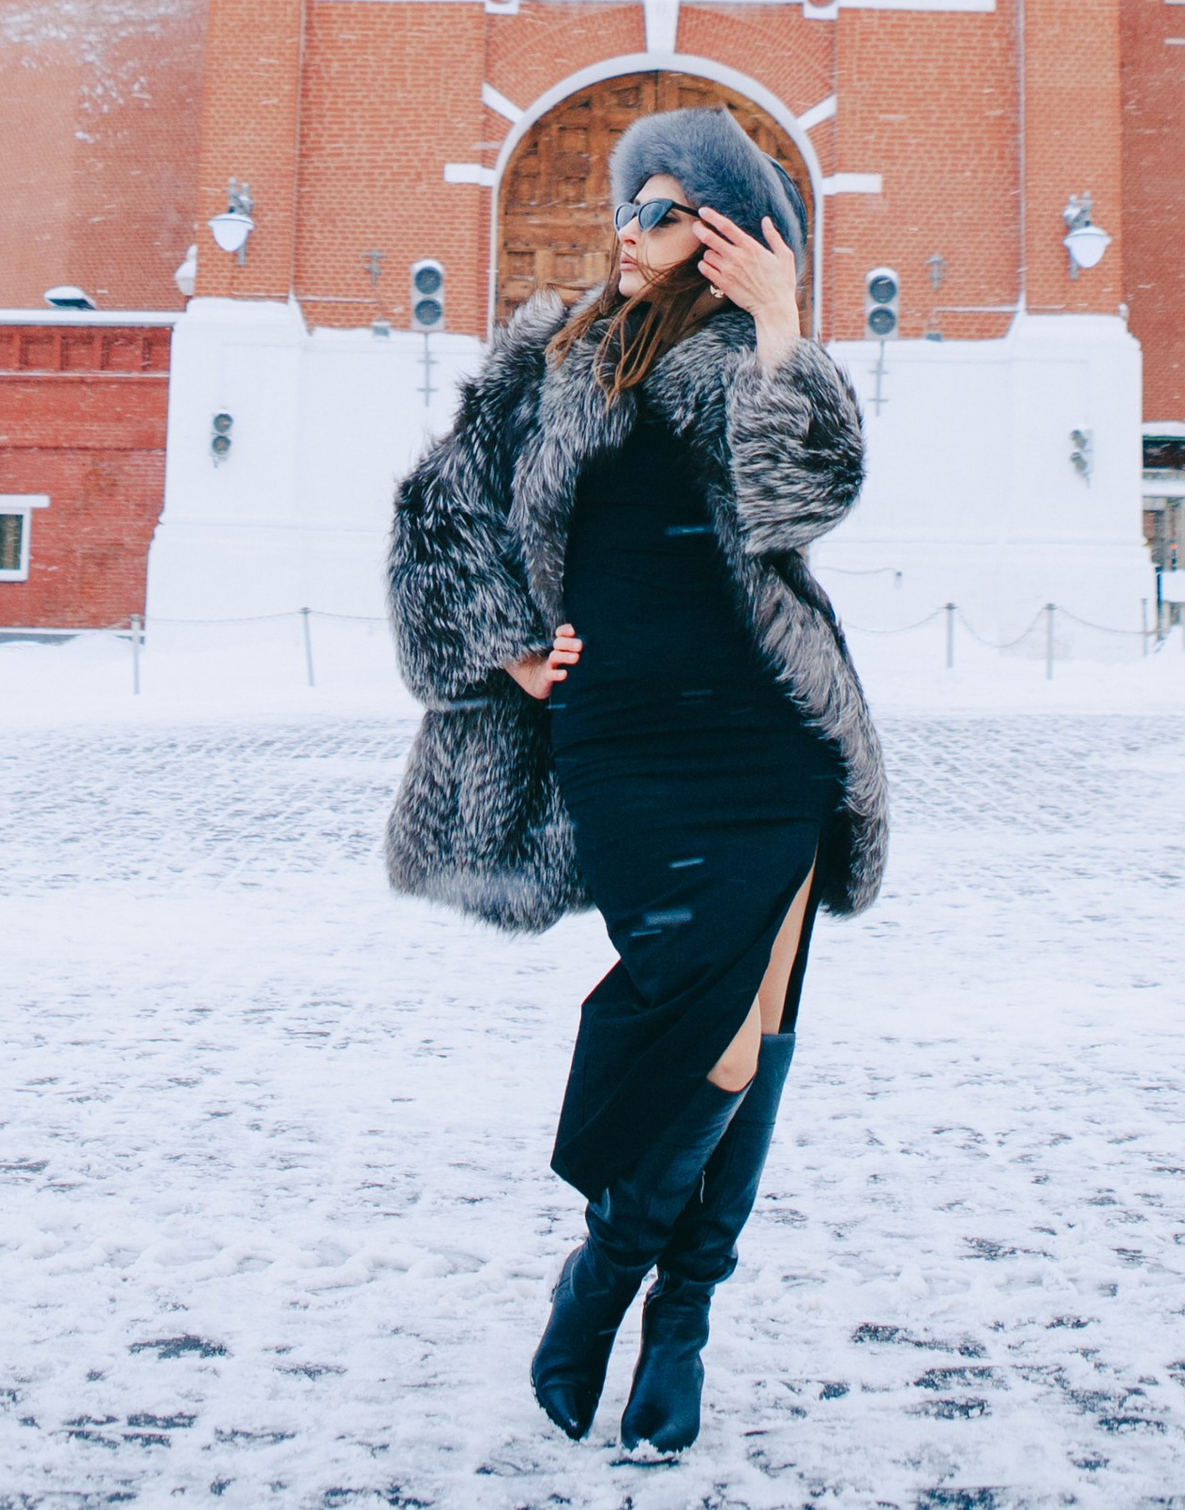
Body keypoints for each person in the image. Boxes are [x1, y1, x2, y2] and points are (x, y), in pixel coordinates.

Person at [385, 105, 886, 1457]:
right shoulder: (548, 361)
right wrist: (499, 645)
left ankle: (678, 1315)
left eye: (663, 209)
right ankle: (607, 1279)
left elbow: (811, 500)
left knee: (753, 1035)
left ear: (730, 237)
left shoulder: (751, 361)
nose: (629, 227)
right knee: (700, 1027)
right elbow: (441, 512)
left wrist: (784, 328)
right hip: (624, 743)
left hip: (768, 735)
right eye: (629, 203)